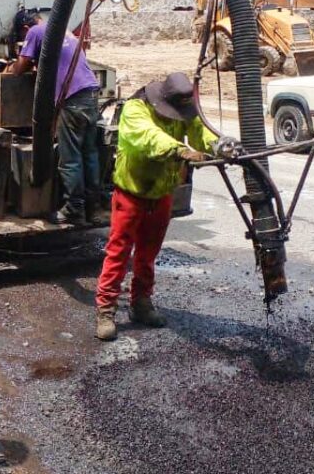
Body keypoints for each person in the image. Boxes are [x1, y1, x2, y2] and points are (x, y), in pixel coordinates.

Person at [95, 72, 234, 341]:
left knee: (148, 253)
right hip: (132, 193)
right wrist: (179, 150)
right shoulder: (136, 110)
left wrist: (219, 144)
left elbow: (199, 130)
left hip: (161, 193)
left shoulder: (182, 110)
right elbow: (147, 137)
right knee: (119, 252)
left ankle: (141, 303)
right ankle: (106, 309)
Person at [9, 12, 102, 225]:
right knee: (90, 154)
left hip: (72, 98)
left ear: (24, 28)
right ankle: (93, 208)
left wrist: (13, 65)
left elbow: (20, 68)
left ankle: (73, 209)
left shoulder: (34, 31)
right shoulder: (65, 31)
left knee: (70, 158)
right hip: (90, 93)